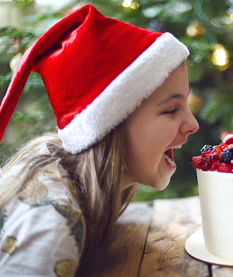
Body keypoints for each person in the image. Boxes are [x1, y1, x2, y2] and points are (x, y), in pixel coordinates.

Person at [0, 5, 198, 276]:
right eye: (171, 110)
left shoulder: (84, 190)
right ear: (109, 127)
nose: (193, 125)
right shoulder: (53, 224)